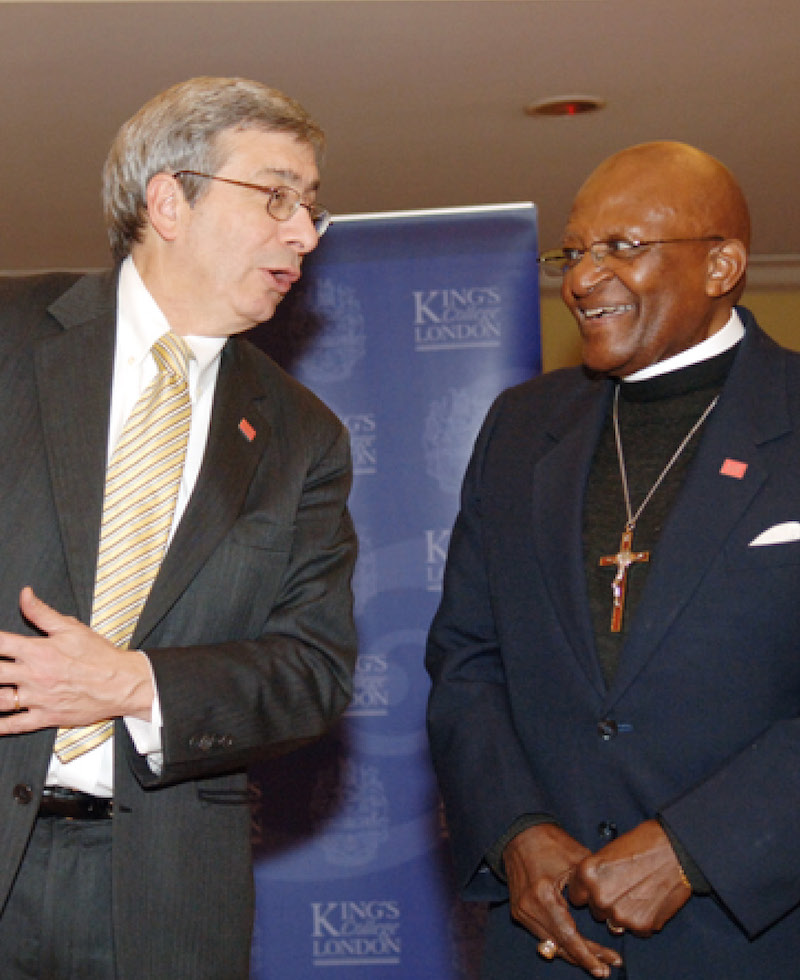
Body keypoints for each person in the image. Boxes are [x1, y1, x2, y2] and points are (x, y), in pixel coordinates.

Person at [0, 76, 357, 979]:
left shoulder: (303, 437)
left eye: (312, 207)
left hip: (168, 898)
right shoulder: (7, 333)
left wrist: (131, 683)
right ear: (169, 199)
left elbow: (312, 673)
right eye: (276, 196)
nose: (305, 233)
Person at [426, 140, 800, 979]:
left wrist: (700, 848)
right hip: (547, 939)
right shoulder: (521, 428)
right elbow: (467, 661)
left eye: (621, 247)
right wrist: (514, 829)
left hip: (760, 933)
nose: (582, 278)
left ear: (723, 265)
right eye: (574, 251)